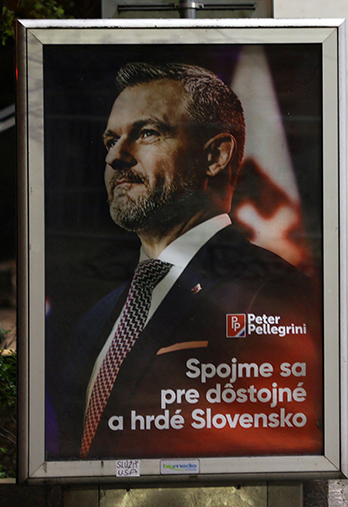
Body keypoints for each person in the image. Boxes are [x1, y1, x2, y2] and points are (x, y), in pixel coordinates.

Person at [49, 63, 323, 459]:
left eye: (147, 133)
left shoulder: (277, 293)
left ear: (215, 155)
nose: (116, 157)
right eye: (111, 140)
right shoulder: (95, 318)